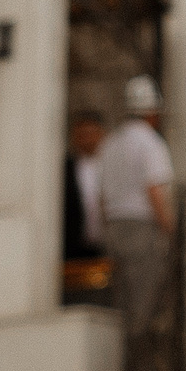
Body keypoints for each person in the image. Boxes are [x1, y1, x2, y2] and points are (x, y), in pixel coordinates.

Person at [99, 75, 177, 340]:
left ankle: (119, 348)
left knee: (120, 297)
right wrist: (169, 227)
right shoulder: (151, 142)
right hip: (141, 225)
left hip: (114, 225)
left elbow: (101, 196)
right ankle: (137, 350)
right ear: (152, 113)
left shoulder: (110, 142)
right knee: (144, 294)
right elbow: (154, 190)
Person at [62, 110, 106, 263]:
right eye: (81, 135)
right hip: (75, 244)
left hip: (106, 242)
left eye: (90, 134)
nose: (86, 139)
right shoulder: (66, 168)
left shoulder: (111, 165)